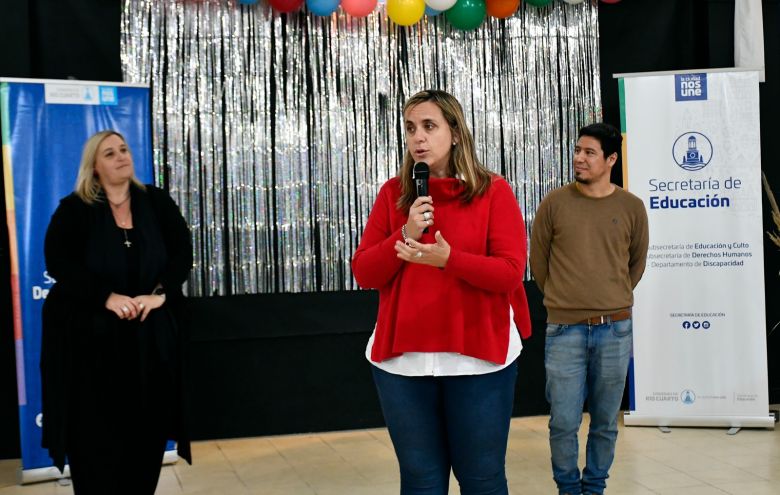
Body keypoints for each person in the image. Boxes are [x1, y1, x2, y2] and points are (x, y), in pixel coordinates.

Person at [352, 89, 532, 495]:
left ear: (454, 132)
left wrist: (450, 260)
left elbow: (508, 273)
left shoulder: (493, 192)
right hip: (404, 365)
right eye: (411, 128)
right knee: (420, 481)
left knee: (482, 479)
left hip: (478, 363)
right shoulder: (393, 196)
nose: (418, 138)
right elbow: (365, 272)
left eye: (429, 126)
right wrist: (405, 233)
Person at [40, 130, 193, 494]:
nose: (122, 156)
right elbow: (59, 262)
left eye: (124, 149)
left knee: (146, 437)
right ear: (94, 167)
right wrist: (105, 297)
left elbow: (181, 253)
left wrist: (159, 295)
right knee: (96, 445)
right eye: (110, 153)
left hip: (148, 346)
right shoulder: (74, 209)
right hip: (91, 347)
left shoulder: (155, 202)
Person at [530, 123, 649, 495]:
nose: (579, 158)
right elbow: (539, 263)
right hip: (564, 329)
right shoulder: (554, 203)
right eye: (577, 150)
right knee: (563, 421)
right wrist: (567, 300)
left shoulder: (631, 207)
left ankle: (594, 487)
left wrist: (609, 298)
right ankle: (568, 489)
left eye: (589, 152)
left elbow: (635, 264)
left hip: (615, 329)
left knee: (605, 422)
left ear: (611, 159)